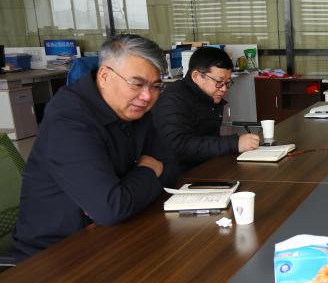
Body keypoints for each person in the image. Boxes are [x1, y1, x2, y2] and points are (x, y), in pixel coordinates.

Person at [12, 34, 179, 261]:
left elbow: (170, 166)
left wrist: (125, 191)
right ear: (104, 76)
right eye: (137, 84)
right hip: (56, 255)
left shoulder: (133, 110)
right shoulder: (69, 119)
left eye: (156, 86)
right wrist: (149, 169)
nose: (147, 96)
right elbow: (111, 209)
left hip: (113, 235)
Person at [153, 47, 260, 171]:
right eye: (219, 82)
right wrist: (234, 143)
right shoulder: (173, 99)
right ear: (196, 76)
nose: (224, 89)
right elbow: (178, 146)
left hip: (206, 167)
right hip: (179, 175)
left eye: (227, 83)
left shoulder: (207, 97)